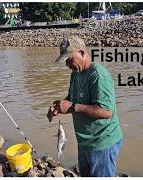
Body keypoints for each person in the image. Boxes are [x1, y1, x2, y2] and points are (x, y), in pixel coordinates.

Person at [47, 36, 123, 177]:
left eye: (69, 59)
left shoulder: (98, 76)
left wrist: (72, 106)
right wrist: (59, 106)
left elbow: (106, 112)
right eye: (65, 61)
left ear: (82, 53)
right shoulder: (76, 74)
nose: (67, 65)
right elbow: (72, 98)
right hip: (85, 142)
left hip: (102, 143)